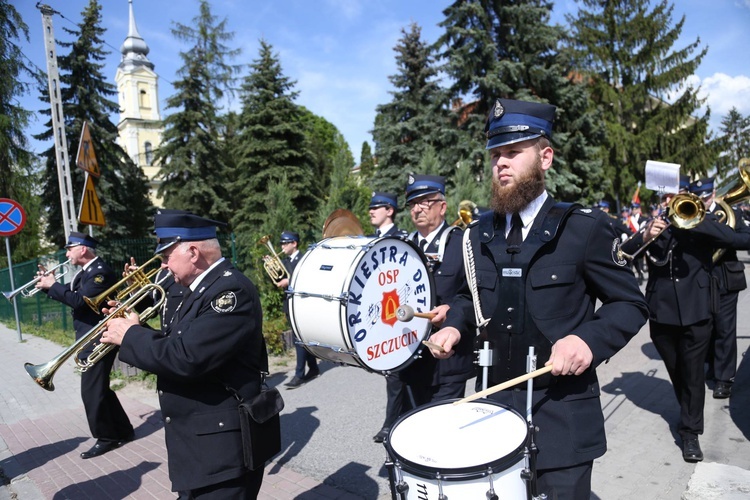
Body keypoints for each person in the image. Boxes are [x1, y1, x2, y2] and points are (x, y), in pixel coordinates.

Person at [427, 98, 649, 499]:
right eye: (496, 154)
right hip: (492, 414)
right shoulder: (479, 232)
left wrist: (587, 340)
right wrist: (455, 326)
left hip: (563, 419)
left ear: (545, 157)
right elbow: (469, 295)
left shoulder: (584, 229)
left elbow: (629, 304)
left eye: (513, 152)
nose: (501, 163)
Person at [100, 211, 266, 498]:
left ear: (192, 252)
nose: (163, 266)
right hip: (201, 447)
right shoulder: (200, 289)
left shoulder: (230, 291)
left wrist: (130, 335)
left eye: (166, 257)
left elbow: (185, 358)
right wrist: (138, 328)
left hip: (223, 452)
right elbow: (178, 342)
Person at [622, 177, 741, 463]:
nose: (668, 202)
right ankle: (687, 408)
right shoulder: (653, 226)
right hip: (661, 311)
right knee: (678, 370)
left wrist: (700, 222)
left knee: (693, 373)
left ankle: (690, 432)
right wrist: (646, 235)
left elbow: (741, 239)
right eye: (664, 198)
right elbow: (623, 254)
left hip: (697, 310)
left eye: (673, 197)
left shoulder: (700, 221)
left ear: (686, 196)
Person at [35, 232, 135, 459]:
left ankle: (107, 438)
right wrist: (48, 286)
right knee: (100, 389)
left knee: (91, 391)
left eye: (70, 248)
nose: (67, 253)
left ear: (82, 249)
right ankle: (123, 430)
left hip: (100, 336)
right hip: (88, 336)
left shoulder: (100, 272)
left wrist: (54, 285)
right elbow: (75, 298)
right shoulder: (85, 272)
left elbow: (80, 301)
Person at [397, 175, 474, 410]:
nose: (417, 209)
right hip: (409, 358)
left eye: (424, 202)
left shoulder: (462, 243)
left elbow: (477, 296)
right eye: (412, 203)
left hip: (447, 362)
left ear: (442, 207)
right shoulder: (402, 247)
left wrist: (451, 312)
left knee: (444, 432)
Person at [695, 178, 750, 399]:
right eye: (700, 196)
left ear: (714, 192)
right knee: (705, 327)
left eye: (707, 196)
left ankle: (724, 379)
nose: (704, 201)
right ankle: (711, 366)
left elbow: (747, 239)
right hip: (700, 280)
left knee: (725, 329)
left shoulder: (731, 212)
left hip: (726, 278)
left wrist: (722, 236)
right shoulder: (693, 213)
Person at [367, 192, 409, 443]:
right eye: (370, 208)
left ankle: (390, 423)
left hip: (397, 311)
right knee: (389, 369)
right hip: (379, 311)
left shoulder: (400, 239)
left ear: (390, 211)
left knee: (395, 373)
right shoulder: (371, 240)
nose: (371, 211)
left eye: (377, 207)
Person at [277, 230, 320, 389]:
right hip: (290, 304)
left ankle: (299, 374)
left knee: (299, 339)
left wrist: (290, 280)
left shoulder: (304, 259)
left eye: (285, 243)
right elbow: (278, 280)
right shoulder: (284, 262)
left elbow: (310, 277)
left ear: (294, 243)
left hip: (302, 304)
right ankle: (314, 368)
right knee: (301, 337)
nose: (282, 246)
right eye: (281, 243)